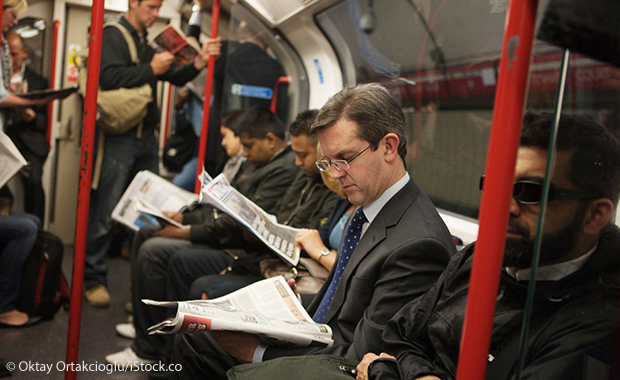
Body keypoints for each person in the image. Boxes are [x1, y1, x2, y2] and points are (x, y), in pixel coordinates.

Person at [169, 83, 456, 379]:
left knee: (203, 346)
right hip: (323, 336)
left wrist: (259, 353)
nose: (334, 174)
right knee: (198, 331)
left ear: (388, 147)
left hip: (340, 364)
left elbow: (365, 356)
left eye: (344, 160)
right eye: (328, 162)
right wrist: (286, 313)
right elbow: (339, 300)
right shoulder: (369, 208)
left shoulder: (418, 244)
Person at [356, 111, 620, 380]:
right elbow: (398, 335)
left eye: (531, 192)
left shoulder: (600, 321)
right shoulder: (477, 256)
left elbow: (391, 359)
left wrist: (389, 373)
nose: (505, 206)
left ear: (595, 215)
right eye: (498, 185)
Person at [105, 106, 300, 365]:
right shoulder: (258, 163)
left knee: (156, 251)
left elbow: (234, 225)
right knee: (147, 235)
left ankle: (152, 348)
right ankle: (148, 329)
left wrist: (184, 231)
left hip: (237, 248)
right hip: (227, 236)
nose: (244, 152)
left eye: (248, 146)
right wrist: (184, 219)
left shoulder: (281, 170)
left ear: (271, 140)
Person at [83, 0, 216, 307]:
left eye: (158, 9)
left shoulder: (145, 41)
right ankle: (93, 279)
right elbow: (106, 77)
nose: (155, 14)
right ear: (133, 3)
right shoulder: (113, 34)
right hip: (120, 138)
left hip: (146, 138)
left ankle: (140, 287)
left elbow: (171, 76)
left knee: (147, 214)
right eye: (151, 7)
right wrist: (150, 69)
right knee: (105, 211)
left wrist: (199, 63)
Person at [4, 31, 49, 222]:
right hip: (4, 139)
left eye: (14, 54)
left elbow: (43, 122)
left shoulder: (38, 82)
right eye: (7, 54)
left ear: (25, 53)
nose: (10, 59)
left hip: (28, 142)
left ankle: (36, 234)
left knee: (34, 182)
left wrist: (30, 116)